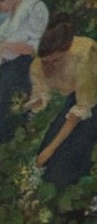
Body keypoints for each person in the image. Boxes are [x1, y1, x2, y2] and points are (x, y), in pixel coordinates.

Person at [27, 17, 97, 188]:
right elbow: (40, 89)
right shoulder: (40, 61)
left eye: (56, 60)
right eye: (45, 61)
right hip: (77, 99)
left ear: (66, 50)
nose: (49, 67)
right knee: (44, 159)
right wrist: (37, 101)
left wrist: (50, 149)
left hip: (91, 100)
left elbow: (81, 109)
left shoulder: (83, 55)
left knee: (63, 165)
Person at [0, 0, 49, 147]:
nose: (1, 12)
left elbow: (33, 48)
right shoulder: (13, 16)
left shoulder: (35, 8)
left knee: (6, 99)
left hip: (28, 63)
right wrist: (1, 50)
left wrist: (5, 47)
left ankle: (3, 139)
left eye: (0, 7)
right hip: (11, 66)